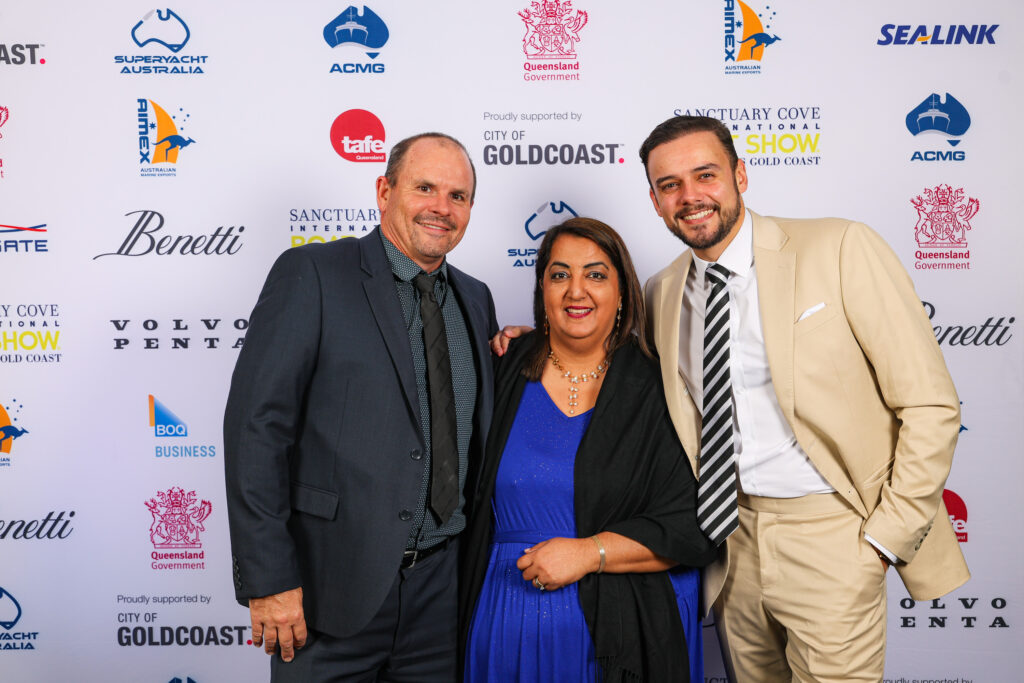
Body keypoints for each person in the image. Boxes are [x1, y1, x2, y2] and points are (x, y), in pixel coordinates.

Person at [639, 115, 970, 681]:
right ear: (655, 201)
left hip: (835, 535)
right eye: (670, 185)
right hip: (730, 543)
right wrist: (528, 342)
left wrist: (883, 540)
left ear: (740, 175)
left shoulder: (839, 247)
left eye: (705, 175)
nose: (690, 196)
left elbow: (930, 405)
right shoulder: (663, 291)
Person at [223, 132, 498, 682]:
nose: (442, 208)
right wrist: (269, 578)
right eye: (425, 188)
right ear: (384, 191)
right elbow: (257, 428)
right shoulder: (314, 274)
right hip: (328, 593)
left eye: (458, 196)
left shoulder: (476, 298)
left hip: (442, 599)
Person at [462, 217, 716, 682]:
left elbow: (691, 524)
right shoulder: (499, 370)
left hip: (625, 633)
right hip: (507, 615)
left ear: (622, 293)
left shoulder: (660, 386)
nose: (576, 291)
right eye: (560, 274)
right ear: (543, 289)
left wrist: (589, 553)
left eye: (595, 275)